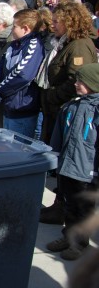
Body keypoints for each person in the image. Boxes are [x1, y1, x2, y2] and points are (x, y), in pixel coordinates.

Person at [38, 1, 98, 224]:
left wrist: (52, 96)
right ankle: (60, 205)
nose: (52, 24)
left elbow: (77, 79)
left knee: (68, 164)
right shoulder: (67, 43)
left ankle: (64, 209)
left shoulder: (80, 45)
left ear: (69, 22)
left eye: (57, 21)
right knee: (61, 163)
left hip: (70, 112)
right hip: (61, 110)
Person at [45, 63, 99, 261]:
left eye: (80, 81)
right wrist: (54, 158)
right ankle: (68, 237)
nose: (76, 84)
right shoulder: (70, 107)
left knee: (84, 209)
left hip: (88, 172)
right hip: (67, 167)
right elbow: (58, 136)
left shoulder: (96, 111)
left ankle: (79, 243)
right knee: (69, 206)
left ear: (93, 83)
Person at [0, 9, 46, 137]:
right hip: (9, 106)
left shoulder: (34, 45)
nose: (12, 29)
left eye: (14, 26)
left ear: (25, 29)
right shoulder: (13, 45)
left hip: (22, 108)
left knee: (18, 151)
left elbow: (23, 74)